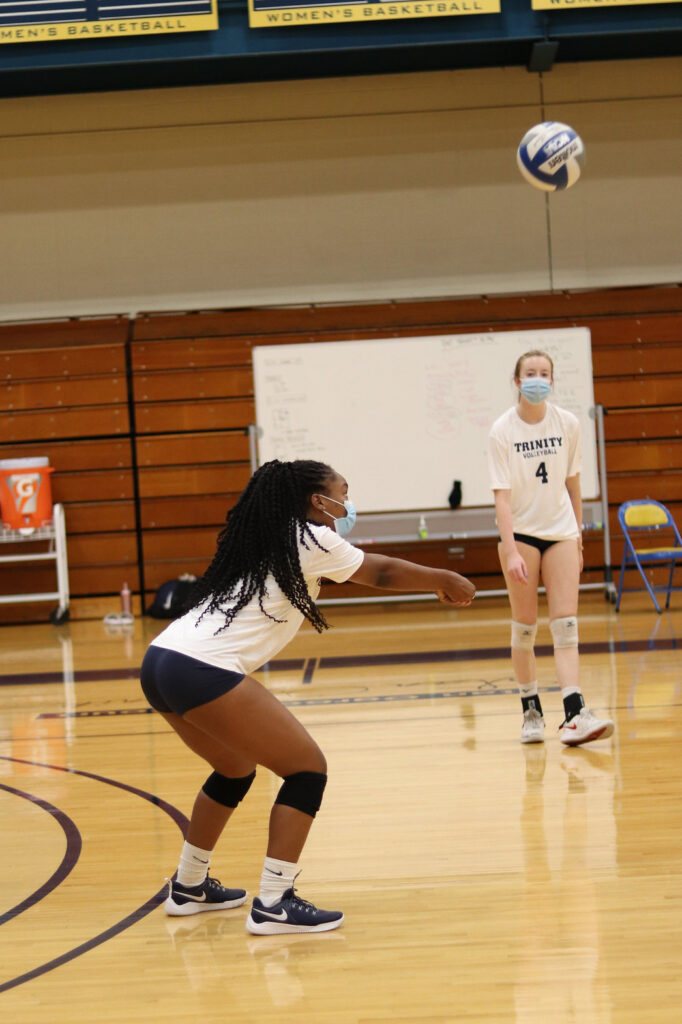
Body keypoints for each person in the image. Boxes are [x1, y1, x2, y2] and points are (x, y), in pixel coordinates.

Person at [140, 458, 475, 935]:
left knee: (234, 769)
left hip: (161, 660)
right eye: (344, 491)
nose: (348, 501)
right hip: (198, 668)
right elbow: (378, 573)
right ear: (320, 501)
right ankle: (275, 901)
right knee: (306, 770)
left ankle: (190, 885)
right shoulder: (310, 537)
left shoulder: (268, 538)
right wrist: (442, 579)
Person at [487, 350, 614, 747]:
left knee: (566, 624)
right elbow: (502, 499)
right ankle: (531, 709)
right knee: (525, 628)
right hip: (521, 535)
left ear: (552, 381)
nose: (538, 379)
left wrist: (577, 538)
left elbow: (573, 487)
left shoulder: (569, 424)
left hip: (560, 531)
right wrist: (509, 550)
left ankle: (575, 712)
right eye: (530, 373)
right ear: (517, 380)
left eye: (544, 373)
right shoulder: (502, 430)